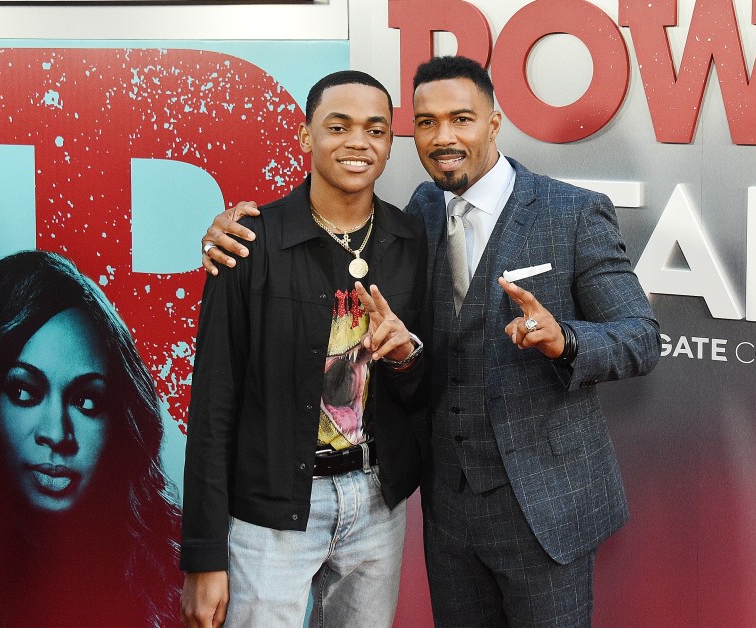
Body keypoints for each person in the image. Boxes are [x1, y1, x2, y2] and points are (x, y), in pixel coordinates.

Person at [200, 56, 660, 627]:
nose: (443, 137)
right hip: (448, 517)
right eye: (425, 122)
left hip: (546, 508)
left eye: (461, 119)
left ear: (494, 123)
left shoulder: (572, 212)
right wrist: (226, 232)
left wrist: (564, 339)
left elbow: (640, 337)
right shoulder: (418, 213)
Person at [180, 70, 428, 628]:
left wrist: (404, 357)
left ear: (390, 143)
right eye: (338, 126)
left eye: (375, 129)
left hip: (376, 503)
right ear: (305, 135)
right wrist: (203, 555)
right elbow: (213, 403)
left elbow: (421, 389)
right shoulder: (248, 241)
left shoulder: (411, 241)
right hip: (271, 506)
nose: (358, 142)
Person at [0, 249, 182, 627]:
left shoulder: (171, 577)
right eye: (24, 392)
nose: (57, 434)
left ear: (121, 419)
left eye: (87, 401)